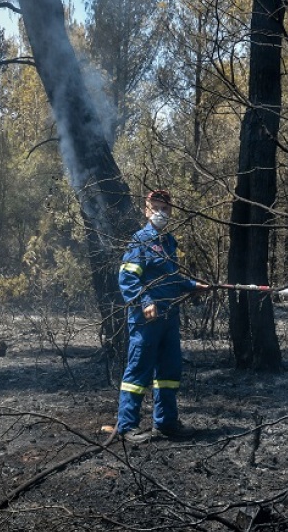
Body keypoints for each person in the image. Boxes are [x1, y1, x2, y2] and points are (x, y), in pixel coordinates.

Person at [111, 189, 208, 443]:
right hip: (146, 320)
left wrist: (191, 285)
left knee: (168, 371)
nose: (161, 212)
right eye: (156, 207)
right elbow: (127, 277)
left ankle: (165, 424)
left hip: (169, 318)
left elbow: (171, 277)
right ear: (146, 209)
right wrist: (145, 301)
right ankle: (127, 426)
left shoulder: (168, 242)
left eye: (165, 208)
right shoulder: (140, 241)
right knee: (139, 371)